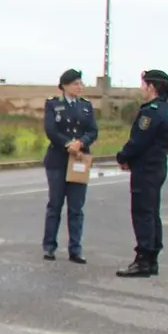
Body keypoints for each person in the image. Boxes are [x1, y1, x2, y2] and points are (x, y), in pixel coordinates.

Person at [115, 69, 168, 278]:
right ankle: (152, 259)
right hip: (157, 166)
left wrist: (123, 157)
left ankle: (142, 260)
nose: (141, 89)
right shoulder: (166, 109)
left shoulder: (150, 112)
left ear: (151, 87)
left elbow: (139, 141)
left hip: (146, 168)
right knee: (152, 213)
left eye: (143, 85)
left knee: (142, 213)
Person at [41, 69, 98, 264]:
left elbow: (92, 131)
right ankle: (49, 246)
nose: (79, 87)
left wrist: (80, 143)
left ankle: (76, 249)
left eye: (80, 84)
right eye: (75, 84)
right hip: (58, 160)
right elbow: (51, 130)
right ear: (64, 85)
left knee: (76, 208)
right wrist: (68, 144)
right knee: (55, 205)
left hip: (79, 160)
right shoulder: (53, 104)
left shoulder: (86, 107)